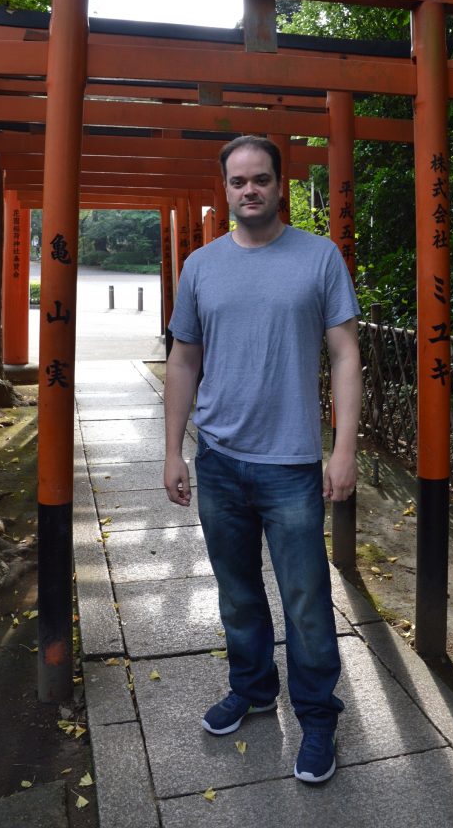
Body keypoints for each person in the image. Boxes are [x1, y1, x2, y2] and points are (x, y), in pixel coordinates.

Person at [163, 135, 362, 785]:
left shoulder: (318, 258)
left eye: (261, 180)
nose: (249, 190)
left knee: (305, 601)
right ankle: (252, 689)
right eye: (238, 181)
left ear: (280, 186)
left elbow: (343, 354)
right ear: (224, 189)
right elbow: (183, 360)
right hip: (218, 459)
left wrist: (342, 448)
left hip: (292, 466)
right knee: (238, 594)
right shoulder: (201, 266)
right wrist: (172, 451)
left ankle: (317, 715)